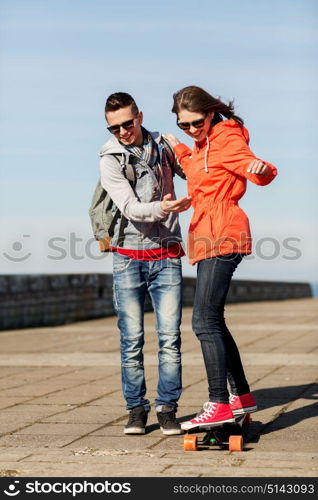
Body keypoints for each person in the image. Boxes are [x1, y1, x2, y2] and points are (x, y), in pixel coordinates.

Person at [163, 85, 278, 430]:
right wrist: (178, 146)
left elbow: (258, 168)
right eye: (184, 125)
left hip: (224, 233)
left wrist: (260, 169)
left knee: (203, 321)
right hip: (207, 236)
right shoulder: (200, 146)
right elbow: (194, 164)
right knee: (214, 320)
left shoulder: (226, 138)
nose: (191, 129)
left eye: (196, 122)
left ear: (211, 113)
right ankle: (241, 396)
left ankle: (218, 403)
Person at [99, 92, 191, 435]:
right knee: (132, 339)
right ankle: (136, 409)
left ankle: (167, 408)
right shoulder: (109, 159)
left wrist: (182, 149)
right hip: (127, 257)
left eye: (127, 122)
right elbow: (130, 208)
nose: (122, 131)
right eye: (114, 127)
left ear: (139, 115)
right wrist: (164, 209)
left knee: (170, 338)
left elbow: (195, 174)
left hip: (166, 256)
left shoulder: (163, 146)